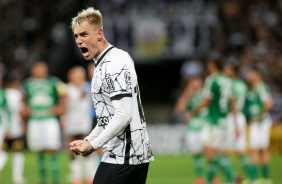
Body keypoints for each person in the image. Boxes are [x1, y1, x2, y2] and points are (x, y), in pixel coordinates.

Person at [69, 7, 154, 184]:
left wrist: (93, 145)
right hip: (119, 155)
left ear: (99, 33)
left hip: (127, 156)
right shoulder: (101, 64)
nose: (79, 41)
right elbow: (107, 119)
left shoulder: (116, 63)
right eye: (76, 36)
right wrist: (88, 140)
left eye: (84, 34)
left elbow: (124, 115)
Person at [187, 59, 236, 184]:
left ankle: (230, 177)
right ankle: (224, 178)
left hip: (213, 120)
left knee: (210, 153)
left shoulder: (212, 79)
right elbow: (232, 101)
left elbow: (206, 101)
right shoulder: (228, 80)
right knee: (215, 151)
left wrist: (192, 112)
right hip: (224, 120)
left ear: (212, 65)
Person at [22, 61, 65, 184]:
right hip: (35, 120)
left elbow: (64, 93)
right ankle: (43, 179)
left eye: (43, 68)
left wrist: (60, 107)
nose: (41, 70)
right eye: (38, 68)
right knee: (39, 149)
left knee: (52, 148)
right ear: (33, 70)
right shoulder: (28, 83)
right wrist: (26, 108)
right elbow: (23, 98)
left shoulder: (53, 82)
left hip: (49, 120)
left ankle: (56, 179)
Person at [65, 66, 96, 184]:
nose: (77, 78)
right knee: (73, 150)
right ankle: (76, 177)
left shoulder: (89, 86)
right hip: (71, 123)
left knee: (88, 148)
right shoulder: (67, 89)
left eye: (79, 75)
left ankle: (90, 176)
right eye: (74, 75)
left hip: (85, 122)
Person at [175, 76, 207, 184]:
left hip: (205, 126)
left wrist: (191, 114)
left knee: (210, 152)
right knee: (196, 153)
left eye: (197, 82)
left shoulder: (205, 93)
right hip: (193, 128)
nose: (195, 84)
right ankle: (200, 177)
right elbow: (179, 109)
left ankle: (215, 176)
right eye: (193, 82)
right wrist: (186, 93)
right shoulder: (189, 95)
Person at [224, 63, 252, 182]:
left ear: (233, 71)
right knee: (240, 151)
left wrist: (235, 123)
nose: (225, 71)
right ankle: (253, 178)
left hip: (233, 117)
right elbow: (248, 101)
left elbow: (232, 102)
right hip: (241, 117)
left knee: (224, 150)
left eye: (228, 69)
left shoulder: (229, 84)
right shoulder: (243, 85)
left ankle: (232, 178)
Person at [245, 66, 273, 184]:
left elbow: (269, 104)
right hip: (259, 122)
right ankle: (264, 179)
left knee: (256, 149)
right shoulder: (255, 88)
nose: (248, 75)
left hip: (260, 122)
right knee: (260, 149)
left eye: (250, 73)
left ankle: (254, 179)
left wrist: (259, 116)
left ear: (256, 74)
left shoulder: (260, 87)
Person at [0, 77, 25, 184]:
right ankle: (17, 177)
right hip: (11, 126)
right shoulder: (14, 93)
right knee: (13, 152)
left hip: (6, 126)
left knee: (8, 151)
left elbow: (8, 110)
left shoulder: (4, 93)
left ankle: (17, 177)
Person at [0, 74, 11, 176]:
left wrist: (8, 127)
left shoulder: (2, 93)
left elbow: (7, 111)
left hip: (0, 126)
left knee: (2, 151)